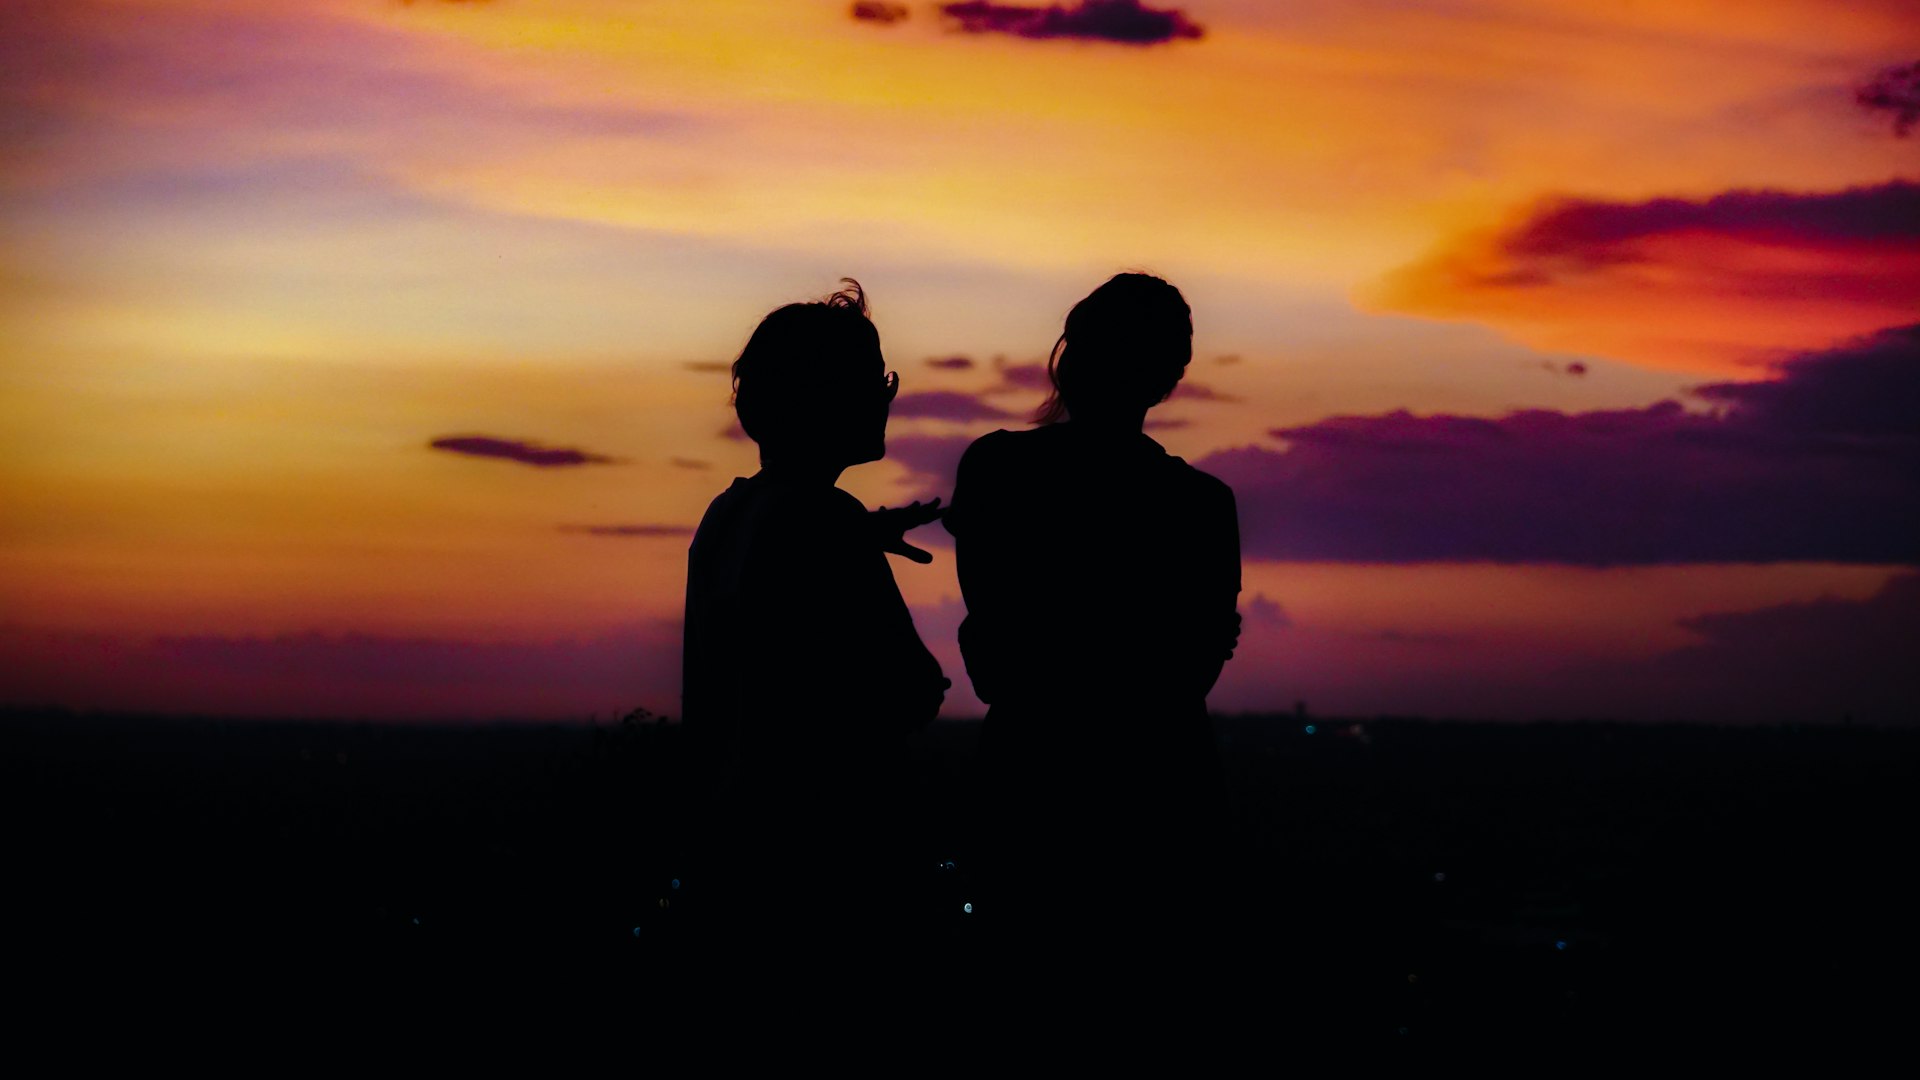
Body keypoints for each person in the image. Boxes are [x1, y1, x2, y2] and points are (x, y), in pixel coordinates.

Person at [942, 272, 1242, 955]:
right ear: (1168, 379)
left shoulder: (999, 470)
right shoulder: (1201, 506)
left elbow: (994, 656)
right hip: (1160, 799)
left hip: (1033, 788)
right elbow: (1188, 673)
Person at [680, 279, 949, 952]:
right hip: (829, 862)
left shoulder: (729, 514)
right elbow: (909, 690)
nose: (885, 398)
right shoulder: (826, 520)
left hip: (740, 848)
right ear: (824, 399)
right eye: (872, 380)